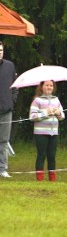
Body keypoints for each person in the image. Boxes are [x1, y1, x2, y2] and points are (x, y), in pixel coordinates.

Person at [29, 81, 64, 181]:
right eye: (47, 85)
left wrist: (58, 113)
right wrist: (46, 113)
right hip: (41, 133)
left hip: (54, 133)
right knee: (41, 155)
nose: (49, 87)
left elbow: (62, 116)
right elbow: (32, 116)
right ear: (42, 87)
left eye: (51, 85)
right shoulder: (37, 100)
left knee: (52, 156)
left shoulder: (56, 100)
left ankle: (52, 179)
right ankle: (40, 179)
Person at [0, 41, 18, 178]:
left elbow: (15, 86)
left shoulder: (10, 66)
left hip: (6, 110)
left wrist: (12, 101)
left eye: (1, 50)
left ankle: (2, 168)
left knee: (4, 141)